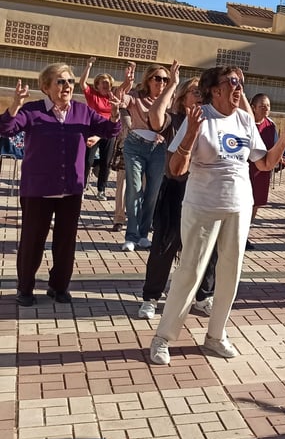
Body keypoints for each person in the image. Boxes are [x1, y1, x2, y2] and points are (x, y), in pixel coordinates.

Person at [149, 66, 285, 365]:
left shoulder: (245, 118)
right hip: (203, 205)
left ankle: (216, 335)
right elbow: (176, 170)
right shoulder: (200, 117)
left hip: (239, 206)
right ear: (215, 89)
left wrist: (284, 138)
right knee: (189, 271)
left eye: (241, 82)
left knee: (230, 274)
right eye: (232, 82)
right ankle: (163, 337)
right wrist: (191, 134)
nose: (238, 87)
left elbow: (265, 163)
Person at [0, 64, 121, 306]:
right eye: (60, 81)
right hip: (38, 189)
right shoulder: (33, 111)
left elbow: (109, 130)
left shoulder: (82, 111)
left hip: (71, 188)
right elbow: (6, 128)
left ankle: (59, 287)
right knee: (33, 241)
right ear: (46, 86)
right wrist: (15, 105)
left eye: (69, 82)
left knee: (66, 241)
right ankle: (25, 288)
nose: (66, 86)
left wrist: (115, 112)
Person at [137, 77, 217, 320]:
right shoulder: (175, 120)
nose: (200, 96)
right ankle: (151, 297)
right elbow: (156, 117)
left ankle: (203, 297)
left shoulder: (212, 121)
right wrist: (172, 83)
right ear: (183, 98)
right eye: (194, 92)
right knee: (165, 245)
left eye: (203, 92)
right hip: (176, 191)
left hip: (205, 192)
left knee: (209, 248)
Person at [120, 62, 174, 252]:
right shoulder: (136, 96)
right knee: (135, 189)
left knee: (152, 192)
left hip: (157, 148)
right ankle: (131, 235)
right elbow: (120, 99)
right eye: (157, 78)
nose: (161, 82)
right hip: (135, 145)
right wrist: (126, 83)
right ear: (148, 80)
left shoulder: (168, 99)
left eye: (165, 80)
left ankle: (143, 234)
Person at [78, 58, 132, 200]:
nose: (106, 85)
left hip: (108, 132)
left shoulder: (112, 95)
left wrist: (128, 75)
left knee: (106, 161)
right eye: (103, 83)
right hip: (92, 131)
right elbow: (82, 83)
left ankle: (101, 189)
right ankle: (82, 187)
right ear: (97, 85)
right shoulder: (92, 95)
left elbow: (125, 86)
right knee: (87, 161)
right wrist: (88, 66)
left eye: (108, 83)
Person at [248, 93, 278, 219]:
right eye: (262, 106)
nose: (266, 109)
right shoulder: (247, 123)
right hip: (247, 168)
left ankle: (247, 230)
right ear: (253, 107)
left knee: (257, 201)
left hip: (262, 171)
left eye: (268, 106)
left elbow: (275, 146)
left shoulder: (271, 125)